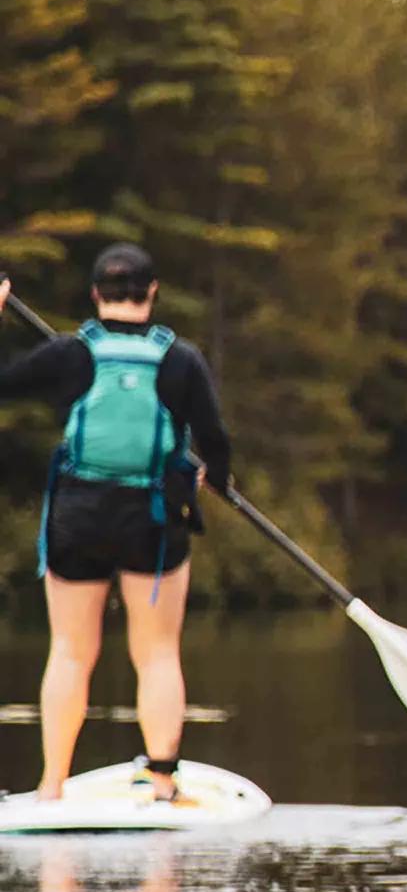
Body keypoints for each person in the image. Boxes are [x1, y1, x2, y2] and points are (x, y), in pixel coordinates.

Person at [0, 244, 232, 802]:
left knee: (70, 651)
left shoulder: (68, 355)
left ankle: (52, 785)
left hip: (78, 517)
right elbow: (216, 442)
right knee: (156, 653)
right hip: (152, 522)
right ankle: (161, 780)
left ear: (96, 294)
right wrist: (215, 479)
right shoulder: (181, 360)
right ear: (152, 293)